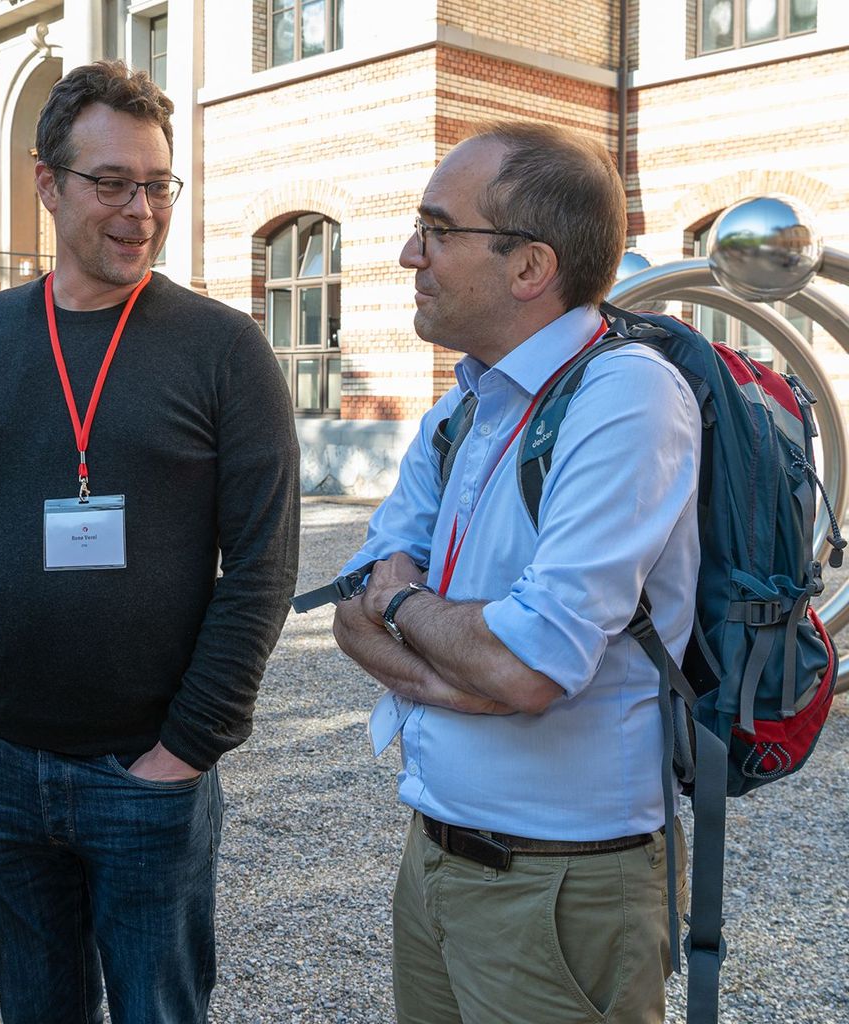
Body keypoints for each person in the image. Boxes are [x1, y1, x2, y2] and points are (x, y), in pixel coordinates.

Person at [0, 60, 300, 1024]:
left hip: (146, 774)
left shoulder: (226, 349)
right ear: (46, 182)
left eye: (157, 185)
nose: (140, 210)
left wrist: (186, 750)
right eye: (112, 183)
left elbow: (263, 565)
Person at [329, 121, 701, 1023]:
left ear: (530, 267)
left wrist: (407, 600)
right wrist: (464, 669)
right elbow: (348, 606)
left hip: (561, 888)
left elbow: (529, 666)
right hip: (434, 862)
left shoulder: (626, 396)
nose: (410, 252)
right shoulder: (468, 400)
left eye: (438, 228)